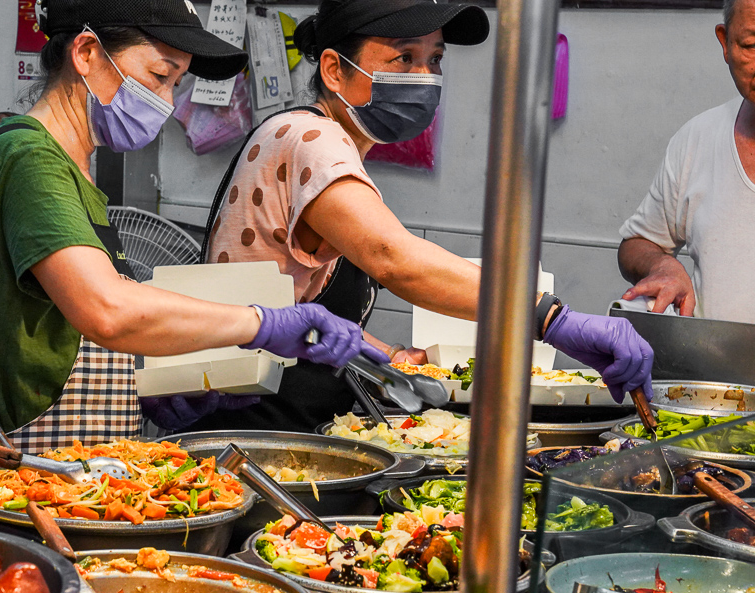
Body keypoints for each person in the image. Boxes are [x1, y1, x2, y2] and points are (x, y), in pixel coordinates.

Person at [0, 0, 390, 482]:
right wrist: (261, 323)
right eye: (160, 76)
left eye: (177, 83)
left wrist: (156, 389)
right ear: (87, 53)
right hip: (14, 475)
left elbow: (55, 329)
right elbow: (107, 310)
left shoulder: (72, 171)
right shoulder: (30, 158)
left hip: (70, 472)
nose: (168, 101)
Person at [191, 0, 656, 433]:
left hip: (275, 417)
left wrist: (384, 354)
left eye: (434, 60)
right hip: (251, 428)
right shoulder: (311, 138)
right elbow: (394, 258)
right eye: (403, 58)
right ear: (334, 69)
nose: (424, 76)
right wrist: (547, 317)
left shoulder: (320, 141)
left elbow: (295, 302)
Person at [616, 0, 755, 324]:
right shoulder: (698, 139)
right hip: (716, 371)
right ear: (725, 42)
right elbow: (639, 243)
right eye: (751, 44)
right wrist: (661, 266)